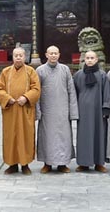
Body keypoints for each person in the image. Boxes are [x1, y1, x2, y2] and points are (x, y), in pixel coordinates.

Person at [0, 47, 41, 175]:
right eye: (16, 55)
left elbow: (36, 89)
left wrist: (26, 97)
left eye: (21, 55)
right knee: (11, 137)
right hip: (10, 110)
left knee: (25, 136)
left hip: (25, 109)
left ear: (25, 57)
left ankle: (25, 164)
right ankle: (12, 164)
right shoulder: (5, 72)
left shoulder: (31, 71)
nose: (18, 58)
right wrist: (7, 98)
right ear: (12, 57)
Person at [36, 45, 79, 174]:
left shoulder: (65, 69)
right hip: (47, 110)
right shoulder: (40, 70)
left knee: (63, 137)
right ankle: (47, 163)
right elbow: (36, 92)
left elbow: (71, 91)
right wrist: (37, 111)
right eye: (51, 53)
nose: (53, 55)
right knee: (47, 136)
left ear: (59, 55)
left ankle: (63, 163)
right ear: (46, 55)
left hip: (63, 109)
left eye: (56, 53)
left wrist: (73, 112)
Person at [73, 50, 110, 173]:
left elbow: (106, 92)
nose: (89, 60)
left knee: (99, 135)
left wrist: (105, 108)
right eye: (87, 58)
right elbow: (74, 93)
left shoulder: (102, 75)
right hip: (83, 111)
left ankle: (99, 162)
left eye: (92, 58)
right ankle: (83, 163)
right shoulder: (78, 75)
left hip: (98, 112)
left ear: (96, 60)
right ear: (84, 59)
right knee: (83, 137)